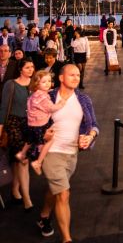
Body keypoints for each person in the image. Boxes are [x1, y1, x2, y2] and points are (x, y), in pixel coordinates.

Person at [36, 64, 99, 241]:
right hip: (51, 152)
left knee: (55, 188)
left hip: (71, 153)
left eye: (78, 75)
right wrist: (42, 133)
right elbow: (32, 122)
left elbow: (94, 125)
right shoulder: (47, 97)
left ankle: (44, 215)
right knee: (64, 194)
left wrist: (89, 136)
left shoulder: (83, 99)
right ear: (61, 78)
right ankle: (67, 238)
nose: (76, 78)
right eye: (71, 74)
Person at [0, 59, 35, 211]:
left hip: (30, 125)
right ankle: (27, 199)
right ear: (20, 69)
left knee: (17, 161)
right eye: (27, 67)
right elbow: (4, 107)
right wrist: (1, 129)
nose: (31, 70)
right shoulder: (11, 84)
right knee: (23, 160)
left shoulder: (35, 85)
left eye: (32, 67)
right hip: (14, 124)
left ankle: (15, 191)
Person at [15, 70, 66, 174]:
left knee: (30, 140)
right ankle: (38, 162)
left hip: (31, 123)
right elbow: (51, 108)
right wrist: (61, 103)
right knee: (49, 141)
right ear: (37, 84)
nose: (47, 84)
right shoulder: (42, 97)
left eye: (49, 81)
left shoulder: (34, 94)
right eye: (44, 82)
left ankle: (22, 154)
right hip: (40, 124)